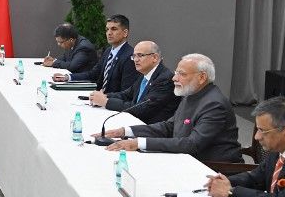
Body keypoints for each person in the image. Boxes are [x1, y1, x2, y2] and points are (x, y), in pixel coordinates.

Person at [100, 53, 243, 162]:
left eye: (182, 74)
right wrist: (126, 131)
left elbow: (192, 144)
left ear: (202, 77)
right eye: (176, 73)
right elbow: (169, 127)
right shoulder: (192, 95)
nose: (174, 78)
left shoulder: (214, 104)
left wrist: (139, 143)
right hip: (187, 160)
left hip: (213, 169)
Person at [88, 41, 179, 124]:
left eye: (140, 55)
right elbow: (126, 95)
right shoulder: (145, 74)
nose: (135, 59)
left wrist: (106, 102)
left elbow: (141, 109)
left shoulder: (165, 79)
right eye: (134, 56)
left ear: (154, 57)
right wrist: (102, 97)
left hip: (151, 131)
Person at [53, 15, 137, 92]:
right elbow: (93, 74)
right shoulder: (108, 51)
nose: (109, 33)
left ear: (125, 33)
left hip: (110, 103)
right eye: (107, 29)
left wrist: (104, 98)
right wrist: (68, 77)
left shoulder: (129, 56)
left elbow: (126, 92)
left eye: (114, 29)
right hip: (98, 98)